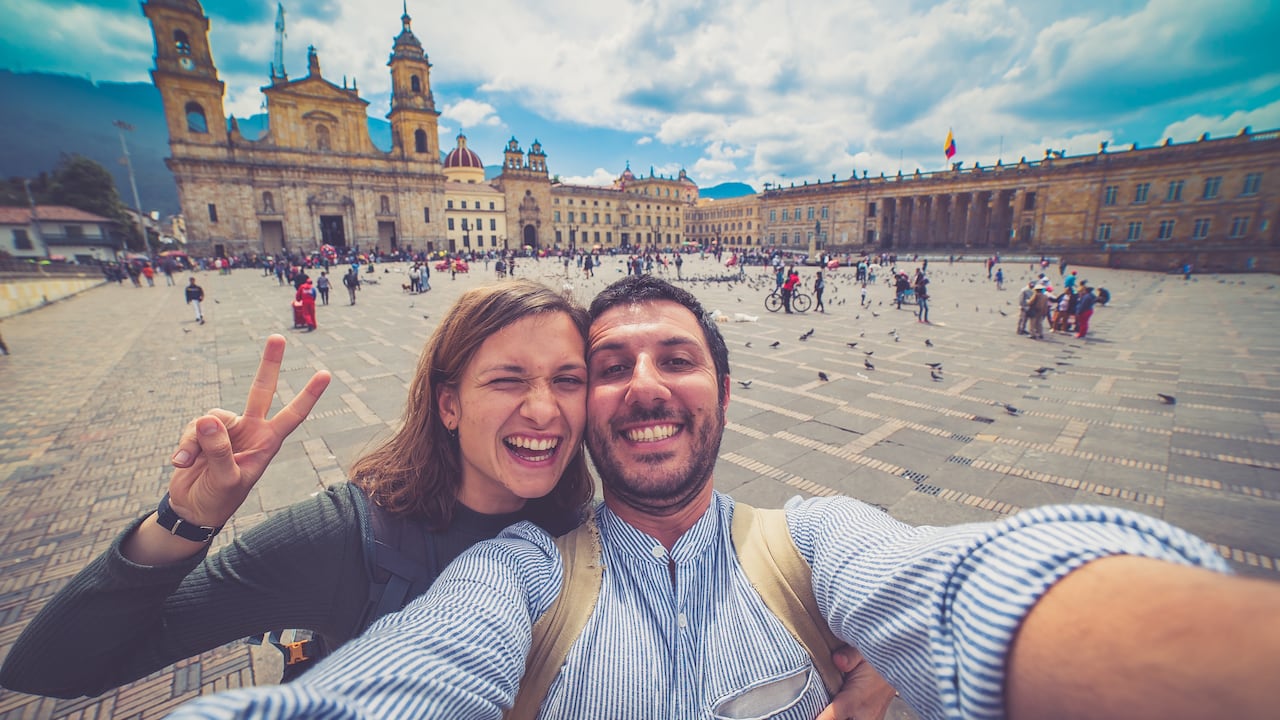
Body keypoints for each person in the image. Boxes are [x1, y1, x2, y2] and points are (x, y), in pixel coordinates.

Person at [165, 275, 1278, 720]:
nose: (644, 384)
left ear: (725, 390)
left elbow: (962, 589)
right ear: (583, 415)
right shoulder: (509, 579)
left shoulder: (821, 543)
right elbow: (374, 693)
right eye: (608, 366)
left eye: (675, 358)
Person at [0, 282, 598, 701]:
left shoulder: (582, 527)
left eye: (568, 380)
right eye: (507, 379)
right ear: (448, 404)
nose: (543, 409)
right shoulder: (346, 537)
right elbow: (52, 669)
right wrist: (184, 520)